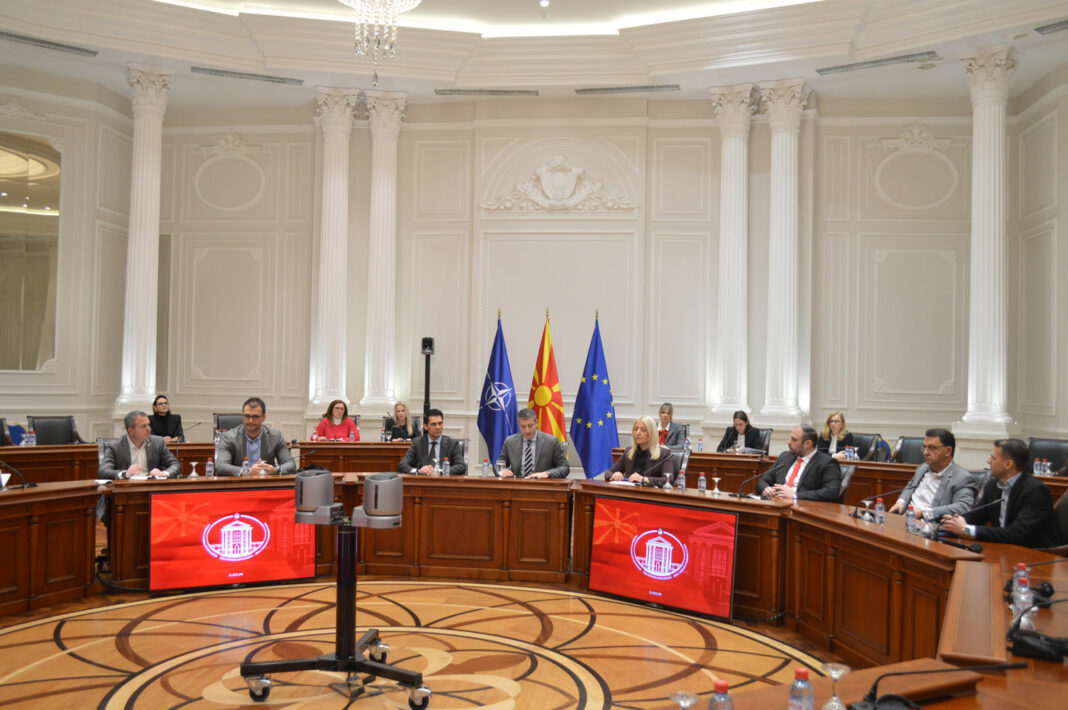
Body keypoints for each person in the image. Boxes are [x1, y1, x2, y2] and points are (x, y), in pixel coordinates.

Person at [940, 438, 1060, 548]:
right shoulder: (993, 486)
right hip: (1003, 547)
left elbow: (1016, 533)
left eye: (993, 458)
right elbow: (976, 516)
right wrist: (953, 522)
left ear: (1008, 464)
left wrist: (966, 529)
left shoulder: (1036, 491)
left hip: (1035, 553)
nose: (988, 461)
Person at [888, 428, 976, 520]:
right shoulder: (923, 468)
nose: (925, 453)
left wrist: (923, 513)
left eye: (932, 448)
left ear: (948, 451)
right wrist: (901, 502)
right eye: (925, 447)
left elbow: (963, 506)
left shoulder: (962, 478)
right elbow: (910, 486)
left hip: (930, 525)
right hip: (905, 519)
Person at [756, 425, 842, 502]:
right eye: (790, 438)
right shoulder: (785, 457)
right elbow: (763, 481)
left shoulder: (827, 463)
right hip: (776, 503)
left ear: (808, 444)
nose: (789, 442)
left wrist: (795, 495)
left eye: (794, 440)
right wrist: (766, 488)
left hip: (802, 508)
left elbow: (832, 492)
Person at [215, 397, 296, 476]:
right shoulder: (229, 437)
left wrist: (276, 470)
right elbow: (220, 466)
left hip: (266, 482)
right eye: (247, 416)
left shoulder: (275, 436)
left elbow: (290, 464)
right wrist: (246, 471)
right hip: (240, 482)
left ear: (263, 417)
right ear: (243, 416)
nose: (250, 421)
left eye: (255, 417)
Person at [98, 410, 180, 480]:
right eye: (144, 426)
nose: (149, 429)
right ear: (131, 431)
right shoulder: (115, 446)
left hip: (151, 487)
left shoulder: (158, 443)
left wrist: (164, 473)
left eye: (148, 424)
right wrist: (124, 474)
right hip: (127, 489)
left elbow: (175, 464)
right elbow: (103, 471)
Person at [496, 408, 569, 479]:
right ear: (519, 426)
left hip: (542, 485)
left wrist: (547, 473)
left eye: (530, 426)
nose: (527, 430)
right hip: (517, 484)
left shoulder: (551, 442)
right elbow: (497, 465)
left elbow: (564, 468)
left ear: (536, 423)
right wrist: (502, 472)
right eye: (523, 427)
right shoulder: (510, 442)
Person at [603, 416, 673, 487]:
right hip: (629, 492)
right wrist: (613, 475)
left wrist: (644, 479)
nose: (638, 433)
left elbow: (669, 479)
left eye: (643, 430)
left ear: (651, 433)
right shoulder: (629, 452)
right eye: (635, 429)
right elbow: (608, 473)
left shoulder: (664, 453)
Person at [397, 408, 466, 476]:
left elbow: (461, 466)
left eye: (440, 423)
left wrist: (440, 471)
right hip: (423, 481)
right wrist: (418, 471)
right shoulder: (417, 443)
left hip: (443, 481)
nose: (438, 427)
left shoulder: (452, 444)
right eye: (433, 424)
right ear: (425, 426)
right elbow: (402, 465)